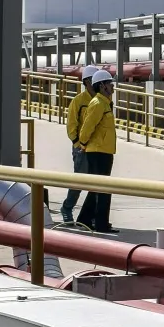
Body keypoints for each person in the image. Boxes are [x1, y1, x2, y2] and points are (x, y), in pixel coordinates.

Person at [74, 71, 118, 234]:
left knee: (97, 188)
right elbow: (87, 126)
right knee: (103, 188)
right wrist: (82, 144)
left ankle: (84, 219)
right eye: (110, 84)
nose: (112, 86)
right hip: (98, 152)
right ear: (102, 86)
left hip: (103, 151)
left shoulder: (104, 102)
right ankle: (101, 224)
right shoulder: (98, 103)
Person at [59, 67, 97, 224]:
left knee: (97, 183)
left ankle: (92, 216)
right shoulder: (79, 101)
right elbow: (71, 125)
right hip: (82, 148)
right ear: (87, 81)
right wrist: (78, 144)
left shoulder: (103, 100)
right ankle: (67, 208)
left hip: (98, 149)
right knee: (79, 181)